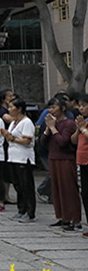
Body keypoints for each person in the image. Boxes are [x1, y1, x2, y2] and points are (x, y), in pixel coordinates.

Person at [41, 96, 81, 232]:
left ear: (62, 108)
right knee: (57, 190)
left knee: (68, 190)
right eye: (49, 107)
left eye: (54, 107)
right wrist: (48, 129)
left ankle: (75, 220)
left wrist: (52, 128)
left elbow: (63, 141)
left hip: (65, 159)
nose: (51, 110)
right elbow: (43, 142)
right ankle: (62, 217)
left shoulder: (69, 124)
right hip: (53, 157)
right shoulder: (52, 123)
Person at [1, 97, 36, 222]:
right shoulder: (13, 122)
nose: (9, 109)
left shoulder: (26, 122)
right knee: (18, 185)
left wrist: (13, 139)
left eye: (11, 107)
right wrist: (7, 136)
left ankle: (30, 211)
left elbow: (27, 140)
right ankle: (21, 209)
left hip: (23, 157)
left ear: (19, 109)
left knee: (26, 185)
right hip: (13, 156)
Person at [72, 94, 88, 237]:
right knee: (85, 193)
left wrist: (83, 128)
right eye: (80, 105)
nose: (81, 108)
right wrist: (78, 128)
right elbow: (73, 140)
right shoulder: (83, 122)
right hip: (82, 160)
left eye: (84, 105)